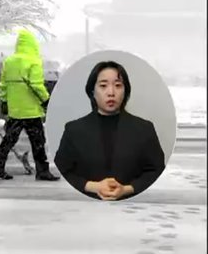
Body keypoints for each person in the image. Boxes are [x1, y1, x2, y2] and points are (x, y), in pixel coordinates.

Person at [54, 60, 166, 201]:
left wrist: (126, 189)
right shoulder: (74, 130)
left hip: (132, 204)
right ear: (92, 91)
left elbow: (156, 171)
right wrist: (93, 186)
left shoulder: (144, 129)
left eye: (118, 85)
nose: (111, 92)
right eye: (103, 86)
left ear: (125, 91)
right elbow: (63, 171)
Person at [0, 30, 60, 181]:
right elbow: (36, 85)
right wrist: (46, 99)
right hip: (31, 110)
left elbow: (3, 85)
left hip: (15, 110)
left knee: (9, 140)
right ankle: (42, 171)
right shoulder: (34, 61)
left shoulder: (9, 62)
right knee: (38, 142)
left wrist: (4, 102)